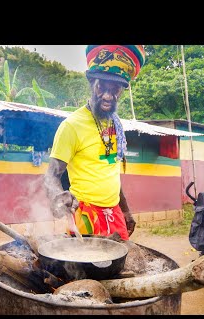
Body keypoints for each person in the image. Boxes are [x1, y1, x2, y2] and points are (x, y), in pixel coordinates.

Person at [44, 45, 145, 240]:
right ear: (92, 83)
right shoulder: (71, 126)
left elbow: (111, 170)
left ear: (122, 90)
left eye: (114, 89)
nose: (108, 95)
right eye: (102, 87)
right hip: (85, 217)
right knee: (86, 269)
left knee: (122, 266)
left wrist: (124, 210)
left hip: (114, 215)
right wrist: (57, 196)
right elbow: (51, 176)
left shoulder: (115, 124)